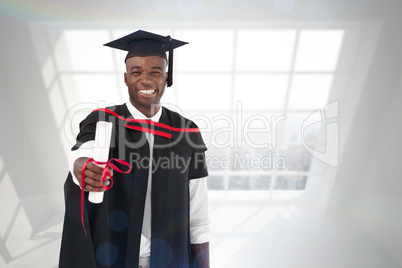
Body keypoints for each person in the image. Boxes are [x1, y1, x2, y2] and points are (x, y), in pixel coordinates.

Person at [59, 30, 210, 268]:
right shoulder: (102, 121)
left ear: (166, 78)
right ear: (126, 78)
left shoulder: (187, 133)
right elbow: (82, 150)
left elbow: (198, 216)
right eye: (136, 72)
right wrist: (82, 166)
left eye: (155, 72)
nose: (146, 80)